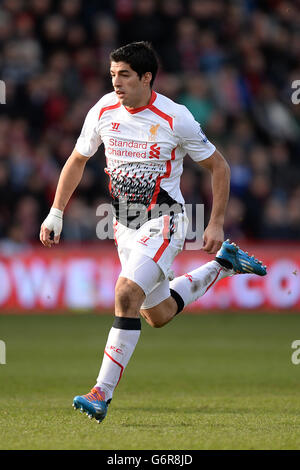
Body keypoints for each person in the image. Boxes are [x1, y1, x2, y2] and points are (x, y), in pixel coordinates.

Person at [39, 41, 266, 424]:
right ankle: (223, 264)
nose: (116, 83)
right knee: (156, 314)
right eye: (113, 75)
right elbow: (77, 159)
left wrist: (214, 222)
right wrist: (55, 212)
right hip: (123, 225)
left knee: (125, 294)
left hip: (166, 221)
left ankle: (100, 393)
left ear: (146, 77)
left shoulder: (176, 118)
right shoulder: (102, 110)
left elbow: (220, 167)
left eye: (125, 75)